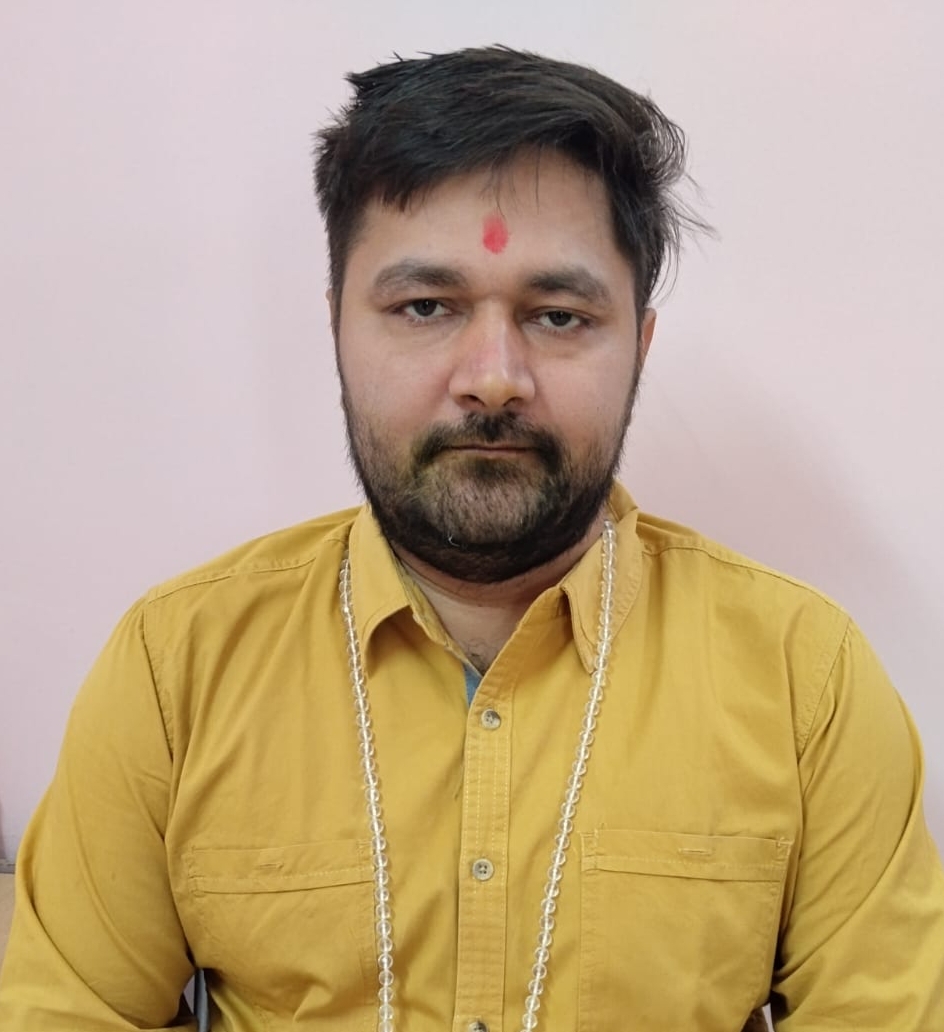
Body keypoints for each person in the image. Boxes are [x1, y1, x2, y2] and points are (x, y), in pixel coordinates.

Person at [1, 44, 942, 1032]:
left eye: (558, 316)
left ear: (638, 345)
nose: (492, 376)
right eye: (425, 307)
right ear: (336, 328)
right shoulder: (178, 669)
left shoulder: (804, 681)